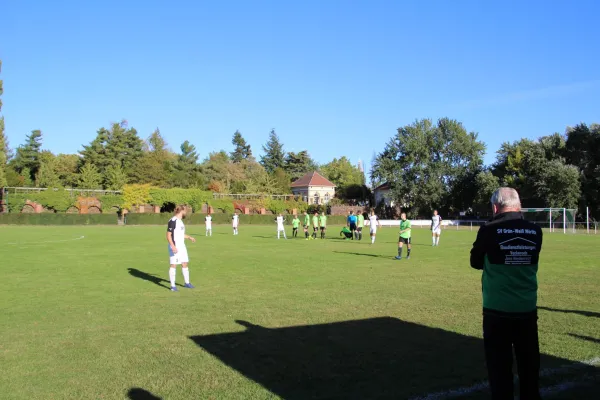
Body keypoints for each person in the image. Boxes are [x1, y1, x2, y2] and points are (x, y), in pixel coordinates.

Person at [470, 188, 543, 400]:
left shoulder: (489, 229)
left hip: (497, 309)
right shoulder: (535, 231)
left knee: (499, 369)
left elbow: (475, 262)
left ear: (495, 207)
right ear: (519, 205)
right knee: (529, 366)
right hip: (527, 308)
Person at [166, 205, 196, 291]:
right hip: (175, 246)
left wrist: (189, 237)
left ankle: (187, 283)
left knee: (185, 263)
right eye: (185, 211)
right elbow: (168, 235)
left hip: (182, 246)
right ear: (182, 210)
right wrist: (173, 246)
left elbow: (180, 234)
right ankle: (173, 286)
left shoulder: (180, 221)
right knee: (173, 265)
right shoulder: (172, 221)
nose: (186, 212)